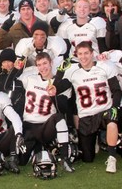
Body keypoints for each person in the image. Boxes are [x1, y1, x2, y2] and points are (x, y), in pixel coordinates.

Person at [52, 41, 121, 173]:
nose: (83, 57)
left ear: (92, 53)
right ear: (76, 55)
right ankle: (94, 139)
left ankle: (112, 157)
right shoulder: (72, 70)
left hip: (104, 110)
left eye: (86, 53)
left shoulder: (104, 66)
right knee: (87, 158)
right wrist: (60, 71)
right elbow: (57, 89)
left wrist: (115, 107)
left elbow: (116, 90)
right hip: (86, 115)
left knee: (112, 121)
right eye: (80, 54)